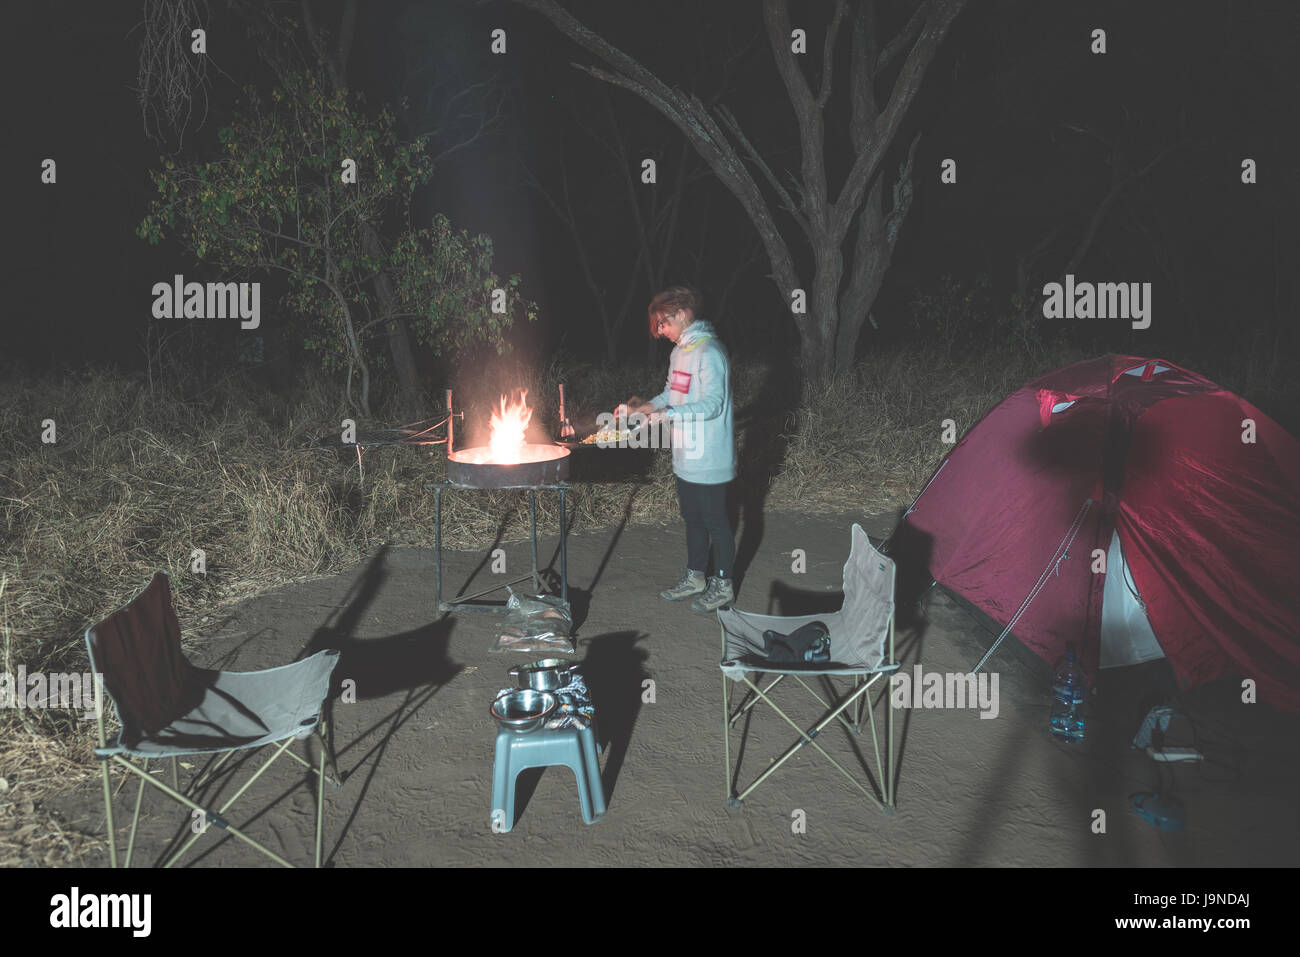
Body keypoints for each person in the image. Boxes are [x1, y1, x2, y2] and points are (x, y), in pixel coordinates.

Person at [618, 286, 737, 612]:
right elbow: (671, 394)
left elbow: (713, 404)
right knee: (693, 519)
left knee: (716, 521)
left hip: (711, 456)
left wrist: (667, 415)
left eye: (663, 323)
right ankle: (695, 577)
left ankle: (723, 583)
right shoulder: (679, 353)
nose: (659, 331)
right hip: (686, 457)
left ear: (682, 314)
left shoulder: (710, 352)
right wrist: (640, 409)